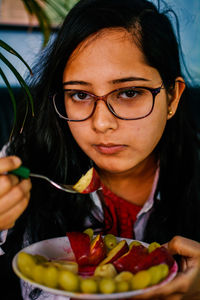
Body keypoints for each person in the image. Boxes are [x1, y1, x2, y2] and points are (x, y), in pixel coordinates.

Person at [0, 0, 200, 299]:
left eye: (129, 93)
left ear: (172, 98)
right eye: (80, 94)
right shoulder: (19, 166)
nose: (102, 123)